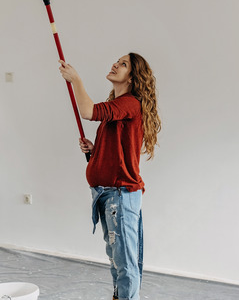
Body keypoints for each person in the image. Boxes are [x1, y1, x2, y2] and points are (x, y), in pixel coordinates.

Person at [58, 53, 161, 300]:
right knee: (117, 260)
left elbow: (88, 111)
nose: (115, 64)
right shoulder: (120, 106)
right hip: (109, 195)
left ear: (133, 77)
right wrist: (96, 150)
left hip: (120, 196)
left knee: (125, 264)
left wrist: (76, 80)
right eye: (117, 61)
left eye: (123, 64)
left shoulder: (130, 103)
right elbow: (119, 150)